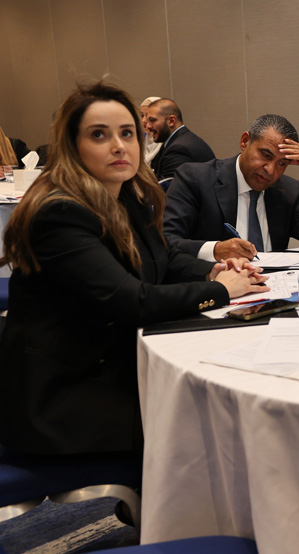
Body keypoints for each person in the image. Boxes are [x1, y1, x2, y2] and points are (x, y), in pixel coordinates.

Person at [0, 81, 268, 460]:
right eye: (99, 135)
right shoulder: (60, 213)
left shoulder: (128, 196)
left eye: (127, 133)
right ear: (72, 147)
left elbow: (164, 260)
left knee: (224, 397)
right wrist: (222, 290)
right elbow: (132, 301)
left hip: (112, 364)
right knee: (212, 418)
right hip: (62, 395)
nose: (119, 146)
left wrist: (213, 271)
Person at [163, 113, 299, 261]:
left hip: (274, 282)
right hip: (217, 281)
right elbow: (166, 239)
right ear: (245, 142)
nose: (270, 170)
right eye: (265, 155)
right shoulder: (196, 178)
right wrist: (215, 250)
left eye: (282, 163)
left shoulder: (288, 189)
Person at [146, 98, 215, 181]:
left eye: (152, 120)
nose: (148, 126)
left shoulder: (179, 149)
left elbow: (167, 187)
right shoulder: (178, 141)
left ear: (171, 121)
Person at [140, 96, 163, 165]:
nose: (144, 120)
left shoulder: (168, 145)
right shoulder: (141, 141)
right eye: (142, 115)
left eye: (148, 115)